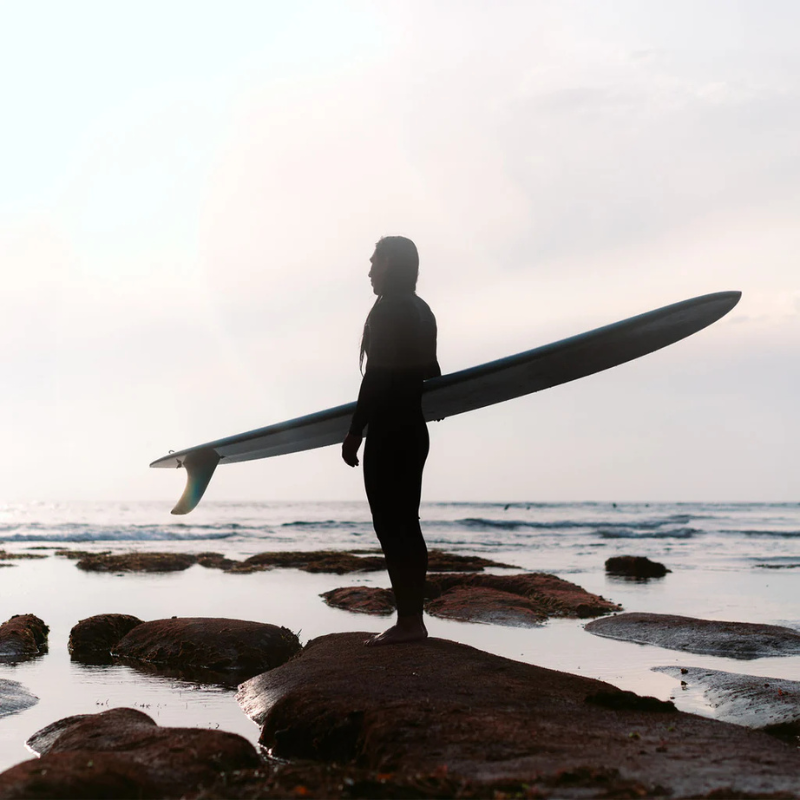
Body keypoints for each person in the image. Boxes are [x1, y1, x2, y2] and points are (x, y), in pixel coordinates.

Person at [341, 236, 441, 646]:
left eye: (374, 262)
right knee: (407, 524)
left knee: (390, 526)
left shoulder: (387, 311)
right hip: (414, 430)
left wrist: (354, 431)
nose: (369, 271)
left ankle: (408, 623)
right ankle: (413, 619)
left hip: (388, 429)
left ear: (391, 264)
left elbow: (377, 376)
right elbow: (432, 373)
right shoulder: (422, 310)